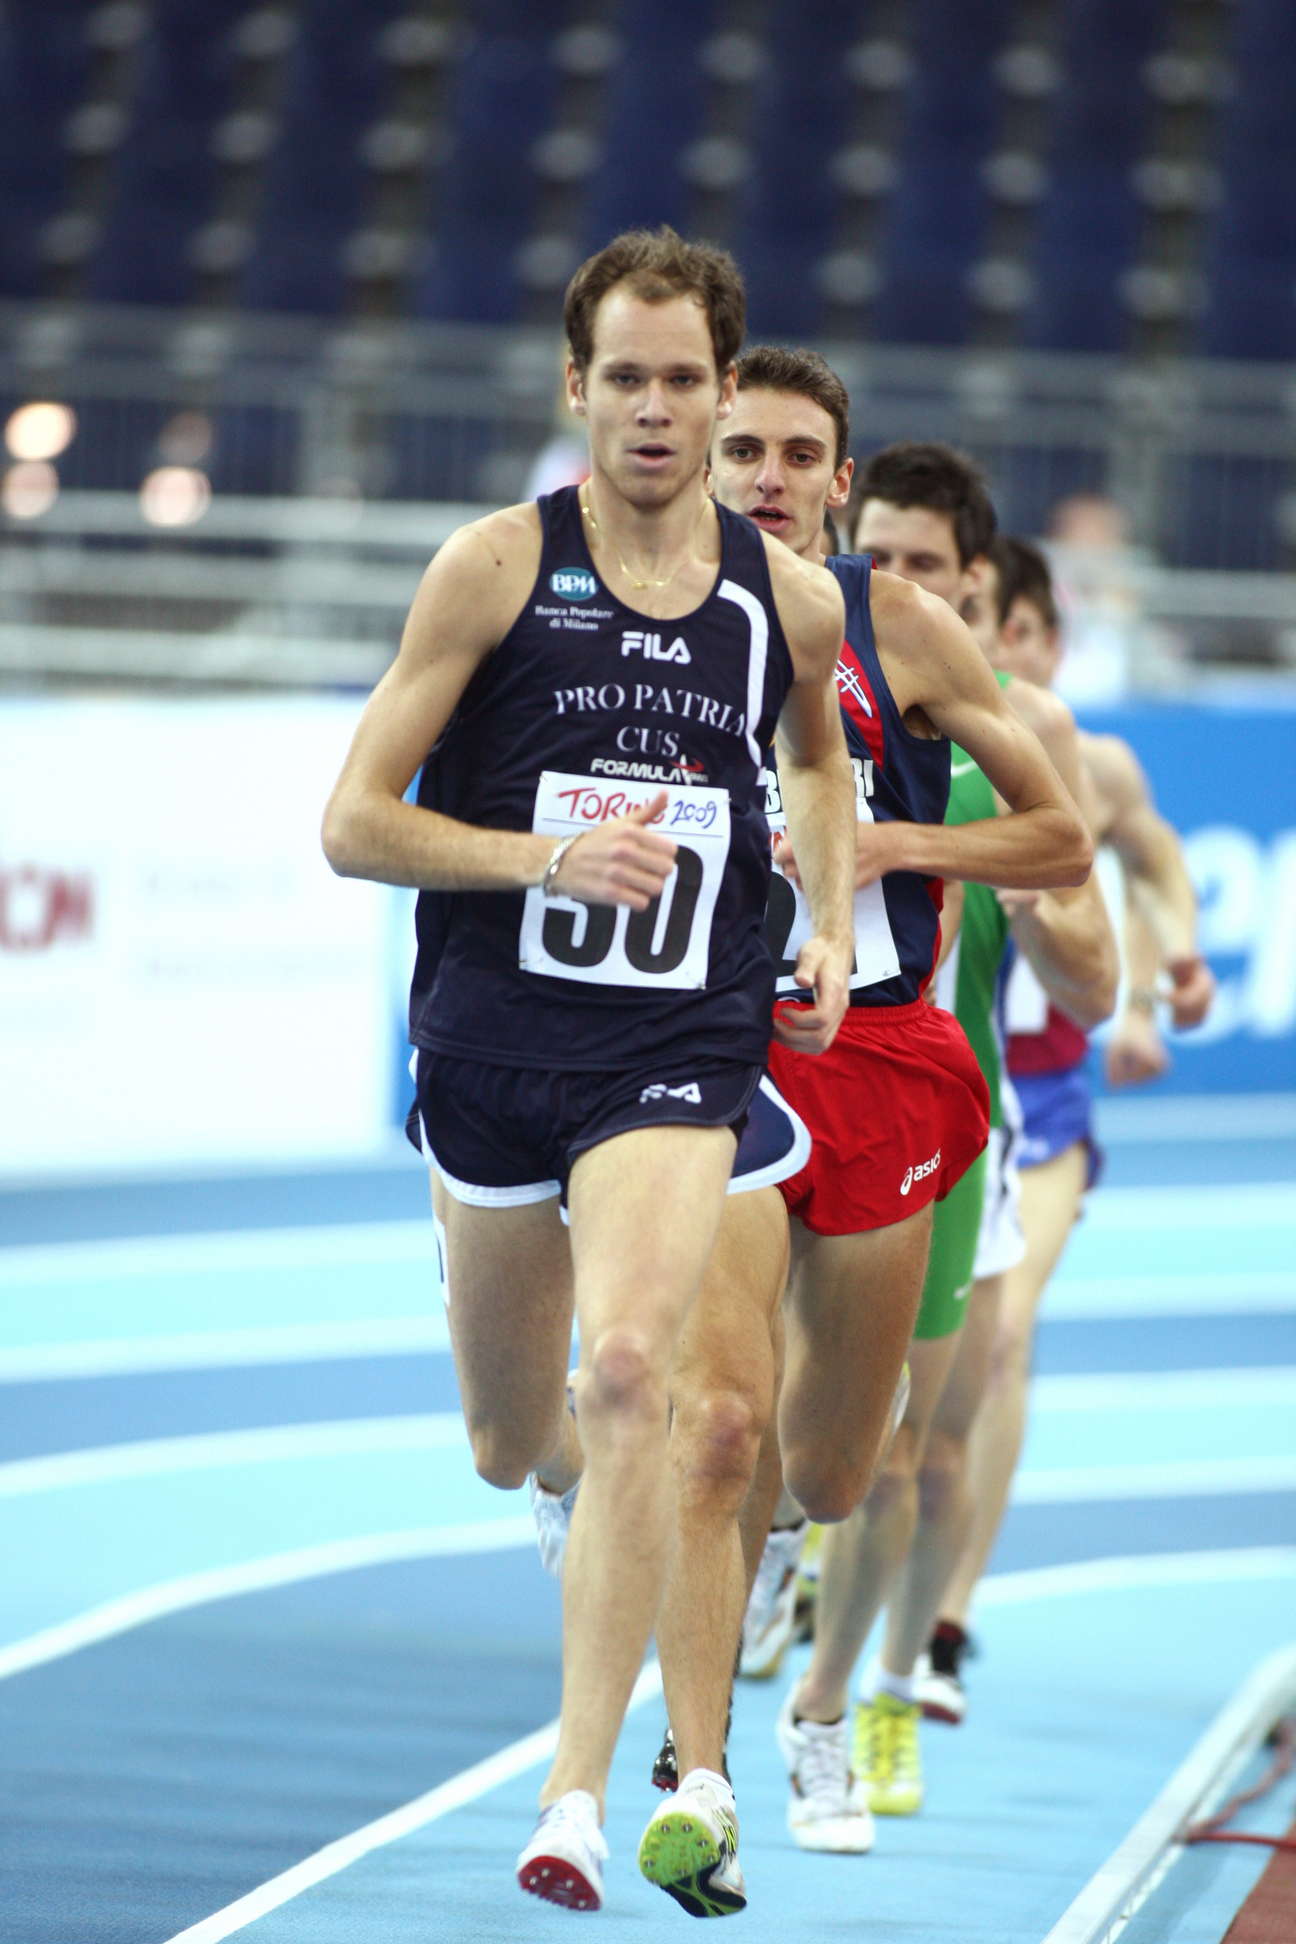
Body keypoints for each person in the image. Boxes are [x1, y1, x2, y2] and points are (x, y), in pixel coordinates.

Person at [321, 226, 861, 1917]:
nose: (653, 408)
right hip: (493, 1047)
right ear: (577, 385)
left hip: (677, 1045)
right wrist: (541, 861)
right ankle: (561, 1488)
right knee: (513, 1433)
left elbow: (819, 761)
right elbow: (352, 825)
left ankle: (580, 1794)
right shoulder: (492, 568)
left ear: (721, 388)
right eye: (623, 376)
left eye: (683, 379)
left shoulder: (787, 599)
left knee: (636, 1370)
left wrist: (825, 921)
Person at [705, 400, 1095, 1851]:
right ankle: (706, 1751)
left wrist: (899, 846)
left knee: (874, 1461)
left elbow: (1085, 909)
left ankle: (832, 1709)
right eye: (749, 453)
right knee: (720, 1407)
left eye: (801, 457)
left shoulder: (967, 688)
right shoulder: (666, 621)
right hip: (728, 1059)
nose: (772, 481)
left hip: (915, 1086)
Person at [927, 533, 1214, 1708]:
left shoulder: (1093, 760)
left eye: (1019, 631)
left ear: (1045, 639)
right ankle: (834, 1549)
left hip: (1041, 1092)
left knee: (1002, 1338)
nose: (1000, 649)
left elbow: (1152, 866)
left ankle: (945, 1620)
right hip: (942, 1074)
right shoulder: (915, 739)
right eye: (984, 626)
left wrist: (1162, 979)